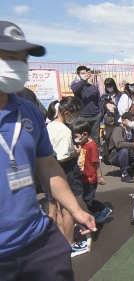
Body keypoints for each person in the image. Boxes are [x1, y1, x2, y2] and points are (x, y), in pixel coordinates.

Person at [0, 21, 96, 280]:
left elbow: (48, 166)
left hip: (37, 240)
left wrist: (76, 210)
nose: (19, 67)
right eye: (9, 58)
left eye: (23, 60)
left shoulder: (28, 111)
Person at [46, 97, 88, 255]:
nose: (76, 118)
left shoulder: (51, 126)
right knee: (68, 209)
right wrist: (76, 152)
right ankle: (69, 244)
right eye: (76, 114)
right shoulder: (64, 130)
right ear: (67, 112)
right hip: (66, 171)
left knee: (55, 209)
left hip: (50, 171)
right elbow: (63, 156)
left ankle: (58, 239)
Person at [72, 120, 112, 222]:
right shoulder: (82, 144)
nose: (75, 139)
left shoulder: (92, 146)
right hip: (83, 176)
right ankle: (96, 212)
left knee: (88, 198)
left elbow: (96, 163)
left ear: (84, 134)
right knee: (86, 197)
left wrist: (99, 177)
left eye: (76, 136)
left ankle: (103, 209)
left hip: (90, 178)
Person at [71, 65, 101, 147]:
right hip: (82, 116)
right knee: (81, 137)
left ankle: (96, 153)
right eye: (82, 73)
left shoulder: (93, 87)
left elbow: (98, 100)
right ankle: (81, 154)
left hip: (95, 116)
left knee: (95, 137)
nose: (85, 75)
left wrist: (100, 112)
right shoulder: (76, 85)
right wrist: (83, 80)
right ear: (78, 74)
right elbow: (75, 90)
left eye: (86, 73)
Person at [109, 112, 134, 183]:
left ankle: (132, 168)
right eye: (130, 120)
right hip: (116, 155)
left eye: (133, 120)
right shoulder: (118, 130)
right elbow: (119, 144)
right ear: (123, 121)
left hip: (130, 153)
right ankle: (124, 173)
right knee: (124, 151)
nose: (132, 122)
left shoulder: (132, 131)